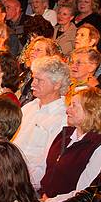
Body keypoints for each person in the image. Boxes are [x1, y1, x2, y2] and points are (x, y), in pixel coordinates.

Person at [39, 87, 101, 202]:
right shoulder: (65, 135)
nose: (67, 110)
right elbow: (46, 170)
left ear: (91, 111)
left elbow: (85, 192)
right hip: (43, 200)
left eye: (74, 106)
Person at [13, 55, 69, 190]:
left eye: (39, 80)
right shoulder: (29, 107)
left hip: (28, 184)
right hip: (9, 171)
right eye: (33, 78)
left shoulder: (62, 117)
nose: (32, 84)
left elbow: (48, 162)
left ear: (57, 84)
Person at [17, 36, 62, 106]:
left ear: (49, 55)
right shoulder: (26, 73)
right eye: (32, 49)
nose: (33, 52)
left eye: (38, 50)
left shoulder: (49, 77)